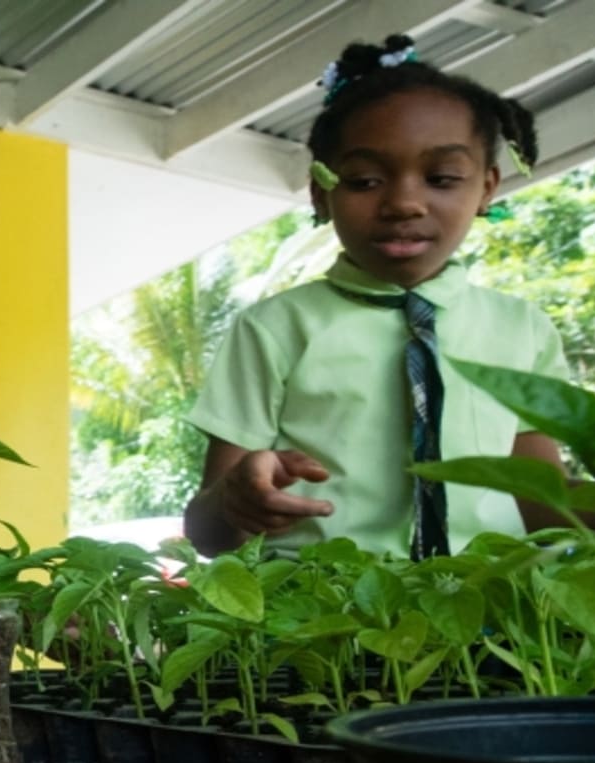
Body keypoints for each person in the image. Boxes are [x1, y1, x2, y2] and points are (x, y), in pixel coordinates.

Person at [183, 34, 570, 559]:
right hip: (319, 622)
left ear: (487, 188)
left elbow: (548, 508)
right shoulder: (274, 329)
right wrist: (235, 501)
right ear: (321, 193)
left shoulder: (522, 330)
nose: (404, 202)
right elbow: (207, 535)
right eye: (364, 181)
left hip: (492, 620)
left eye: (442, 178)